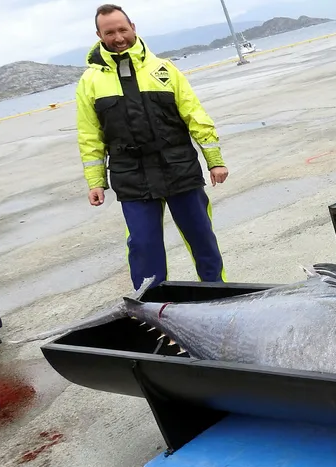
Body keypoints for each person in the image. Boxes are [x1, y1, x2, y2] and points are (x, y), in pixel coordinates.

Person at [76, 4, 229, 290]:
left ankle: (218, 297)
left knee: (202, 239)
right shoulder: (90, 82)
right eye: (110, 32)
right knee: (144, 249)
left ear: (133, 27)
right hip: (131, 175)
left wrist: (215, 161)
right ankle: (152, 312)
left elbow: (195, 115)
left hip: (179, 167)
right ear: (99, 35)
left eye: (123, 29)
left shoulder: (164, 69)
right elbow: (89, 135)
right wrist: (95, 182)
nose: (118, 37)